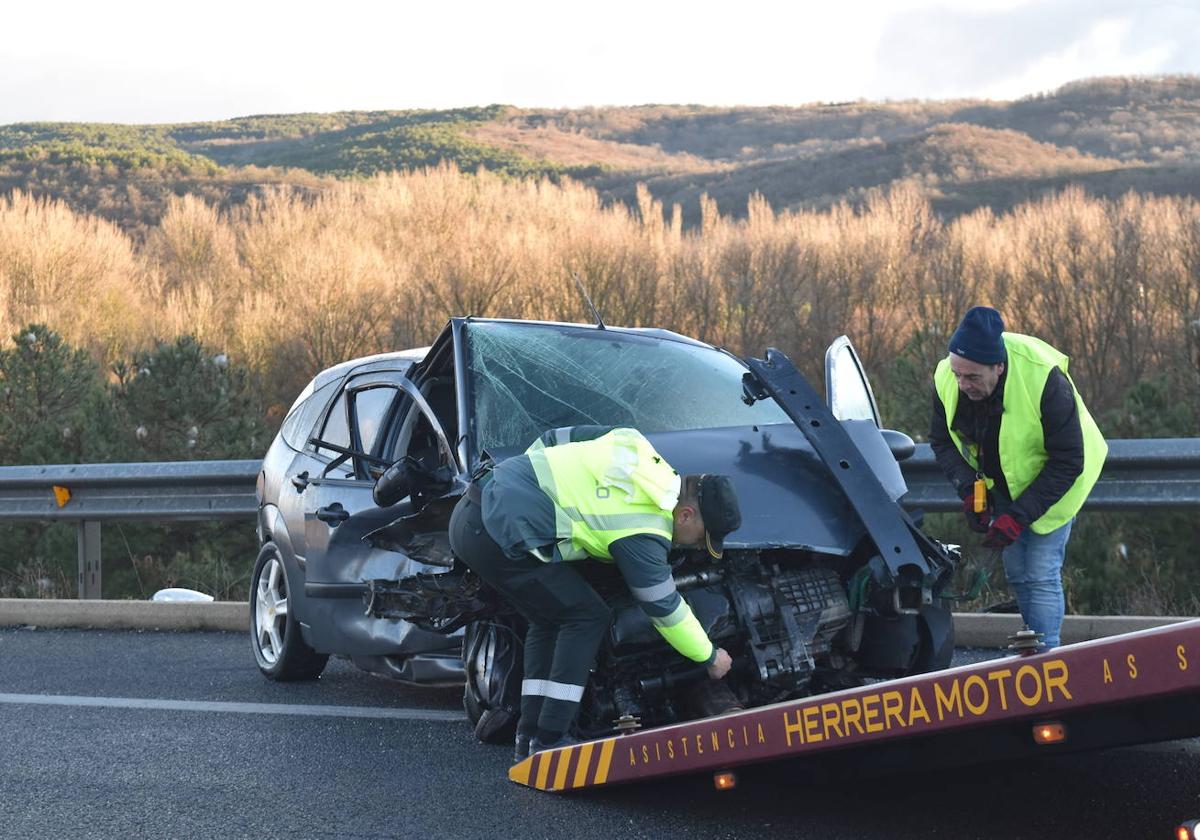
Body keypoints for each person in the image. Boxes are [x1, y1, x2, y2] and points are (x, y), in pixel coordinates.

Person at [448, 425, 740, 762]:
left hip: (475, 509)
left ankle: (530, 736)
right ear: (686, 515)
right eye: (701, 538)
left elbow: (554, 438)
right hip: (494, 531)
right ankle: (551, 740)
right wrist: (709, 655)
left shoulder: (636, 447)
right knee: (587, 616)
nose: (694, 546)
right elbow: (663, 608)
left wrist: (521, 488)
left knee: (547, 620)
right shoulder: (644, 526)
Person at [930, 306, 1107, 650]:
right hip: (1003, 484)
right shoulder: (946, 377)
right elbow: (941, 442)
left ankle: (1047, 659)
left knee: (1039, 572)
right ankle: (1031, 647)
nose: (963, 385)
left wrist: (1019, 515)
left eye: (973, 378)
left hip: (1056, 479)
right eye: (958, 375)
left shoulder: (1043, 378)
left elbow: (1068, 460)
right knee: (1017, 573)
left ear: (999, 366)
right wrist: (970, 492)